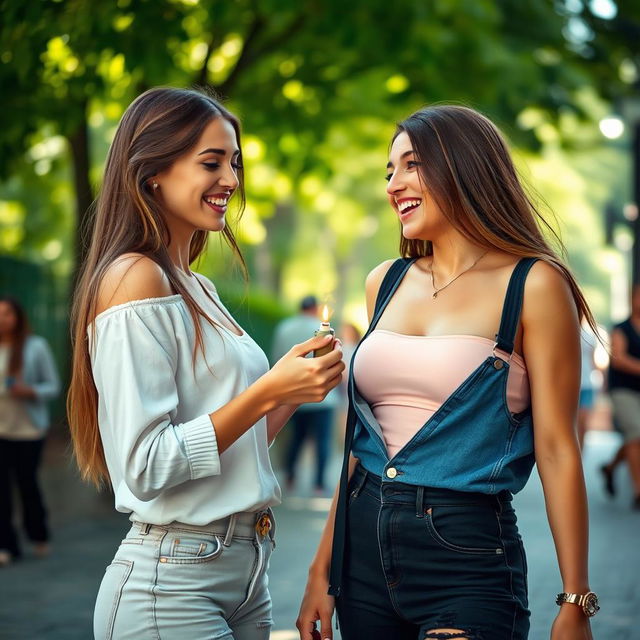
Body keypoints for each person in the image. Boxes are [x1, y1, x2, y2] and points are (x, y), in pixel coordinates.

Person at [297, 105, 598, 640]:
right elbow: (360, 447)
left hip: (465, 556)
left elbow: (556, 447)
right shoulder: (382, 282)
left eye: (411, 164)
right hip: (361, 558)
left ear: (463, 166)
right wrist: (323, 570)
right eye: (389, 171)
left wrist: (575, 600)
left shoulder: (533, 284)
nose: (394, 184)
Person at [66, 87, 344, 640]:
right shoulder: (133, 278)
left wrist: (291, 389)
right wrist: (266, 391)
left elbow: (233, 447)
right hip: (171, 586)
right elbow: (145, 466)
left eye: (235, 163)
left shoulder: (198, 285)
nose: (232, 181)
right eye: (211, 162)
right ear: (153, 173)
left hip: (246, 573)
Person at [0, 297, 60, 566]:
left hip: (28, 431)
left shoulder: (35, 347)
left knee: (27, 485)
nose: (3, 319)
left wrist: (30, 391)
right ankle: (6, 546)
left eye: (8, 314)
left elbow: (53, 386)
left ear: (18, 317)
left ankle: (38, 534)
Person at [271, 296, 341, 493]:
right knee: (322, 442)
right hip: (323, 398)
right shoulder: (323, 330)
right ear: (315, 309)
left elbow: (277, 359)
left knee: (296, 439)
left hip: (295, 394)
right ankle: (318, 483)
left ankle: (290, 477)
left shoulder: (284, 328)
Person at [602, 285, 640, 509]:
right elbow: (619, 359)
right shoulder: (621, 328)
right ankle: (638, 491)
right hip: (623, 390)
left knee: (635, 437)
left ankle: (610, 468)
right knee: (636, 431)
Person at [577, 321, 598, 449]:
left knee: (583, 424)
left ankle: (580, 458)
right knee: (570, 424)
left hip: (587, 384)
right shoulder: (563, 328)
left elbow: (592, 358)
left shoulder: (589, 334)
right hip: (570, 384)